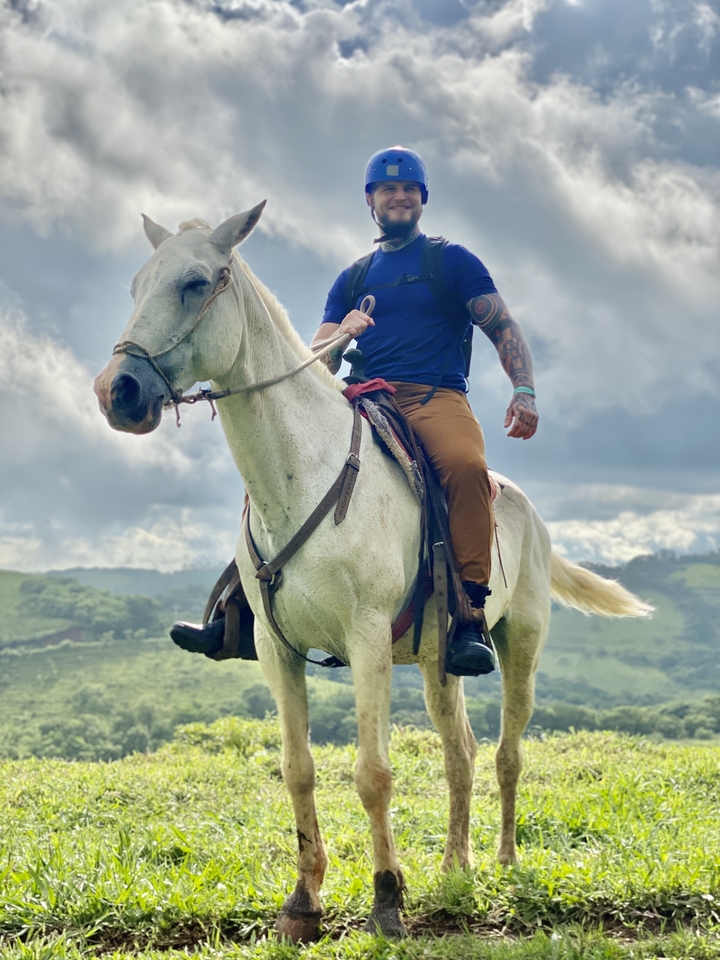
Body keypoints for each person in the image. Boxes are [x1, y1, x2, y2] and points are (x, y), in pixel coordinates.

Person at [172, 146, 538, 676]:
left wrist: (523, 390)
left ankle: (468, 616)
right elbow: (315, 355)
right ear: (371, 201)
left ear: (422, 199)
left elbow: (501, 325)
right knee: (278, 474)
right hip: (363, 397)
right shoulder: (355, 276)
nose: (399, 196)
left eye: (409, 189)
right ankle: (242, 609)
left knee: (466, 468)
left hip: (436, 398)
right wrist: (342, 332)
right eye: (388, 189)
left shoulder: (450, 261)